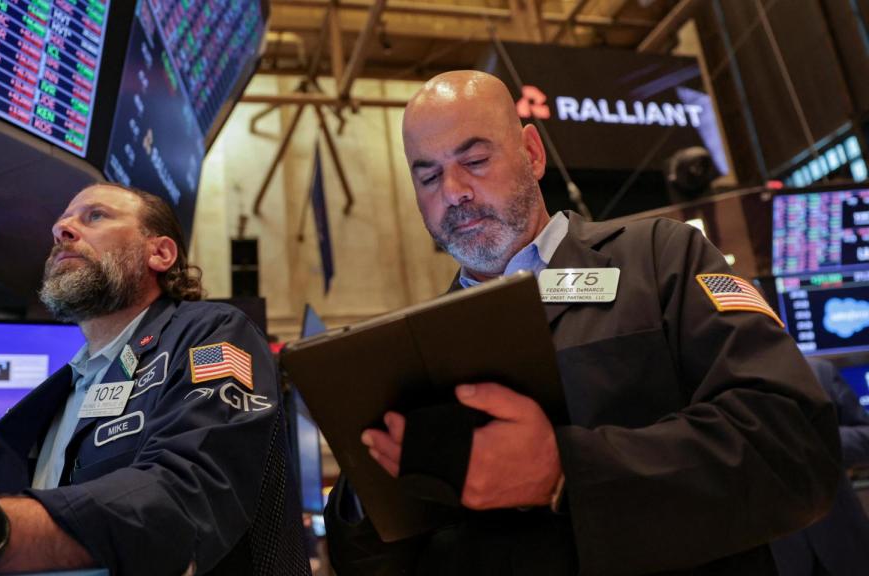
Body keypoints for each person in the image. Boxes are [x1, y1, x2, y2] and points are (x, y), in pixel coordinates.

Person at [324, 70, 841, 575]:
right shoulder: (416, 355)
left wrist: (565, 472)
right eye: (429, 175)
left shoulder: (662, 258)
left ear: (531, 152)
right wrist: (368, 488)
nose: (454, 191)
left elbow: (794, 447)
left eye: (475, 160)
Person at [0, 184, 311, 576]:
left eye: (95, 216)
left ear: (161, 252)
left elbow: (184, 499)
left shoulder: (212, 333)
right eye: (62, 224)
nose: (62, 230)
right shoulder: (56, 397)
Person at [771, 357, 869, 576]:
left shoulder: (818, 371)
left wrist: (819, 441)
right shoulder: (721, 386)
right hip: (777, 551)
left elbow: (865, 435)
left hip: (842, 535)